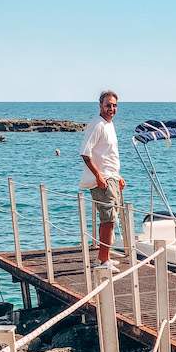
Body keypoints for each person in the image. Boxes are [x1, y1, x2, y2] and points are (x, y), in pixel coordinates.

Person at [80, 90, 125, 273]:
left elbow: (107, 155)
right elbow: (85, 152)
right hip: (102, 180)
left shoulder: (109, 125)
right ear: (100, 106)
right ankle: (103, 260)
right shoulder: (97, 125)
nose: (111, 109)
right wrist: (99, 176)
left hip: (111, 177)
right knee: (108, 219)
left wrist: (118, 176)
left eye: (114, 105)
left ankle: (104, 256)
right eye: (108, 105)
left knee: (111, 219)